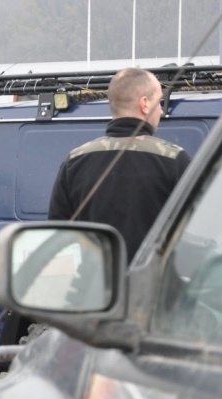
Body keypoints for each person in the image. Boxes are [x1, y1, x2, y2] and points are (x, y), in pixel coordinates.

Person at [48, 67, 191, 263]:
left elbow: (58, 237)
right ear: (145, 104)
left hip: (96, 281)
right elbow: (193, 231)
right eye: (159, 102)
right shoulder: (174, 159)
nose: (162, 110)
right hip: (151, 281)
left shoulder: (75, 161)